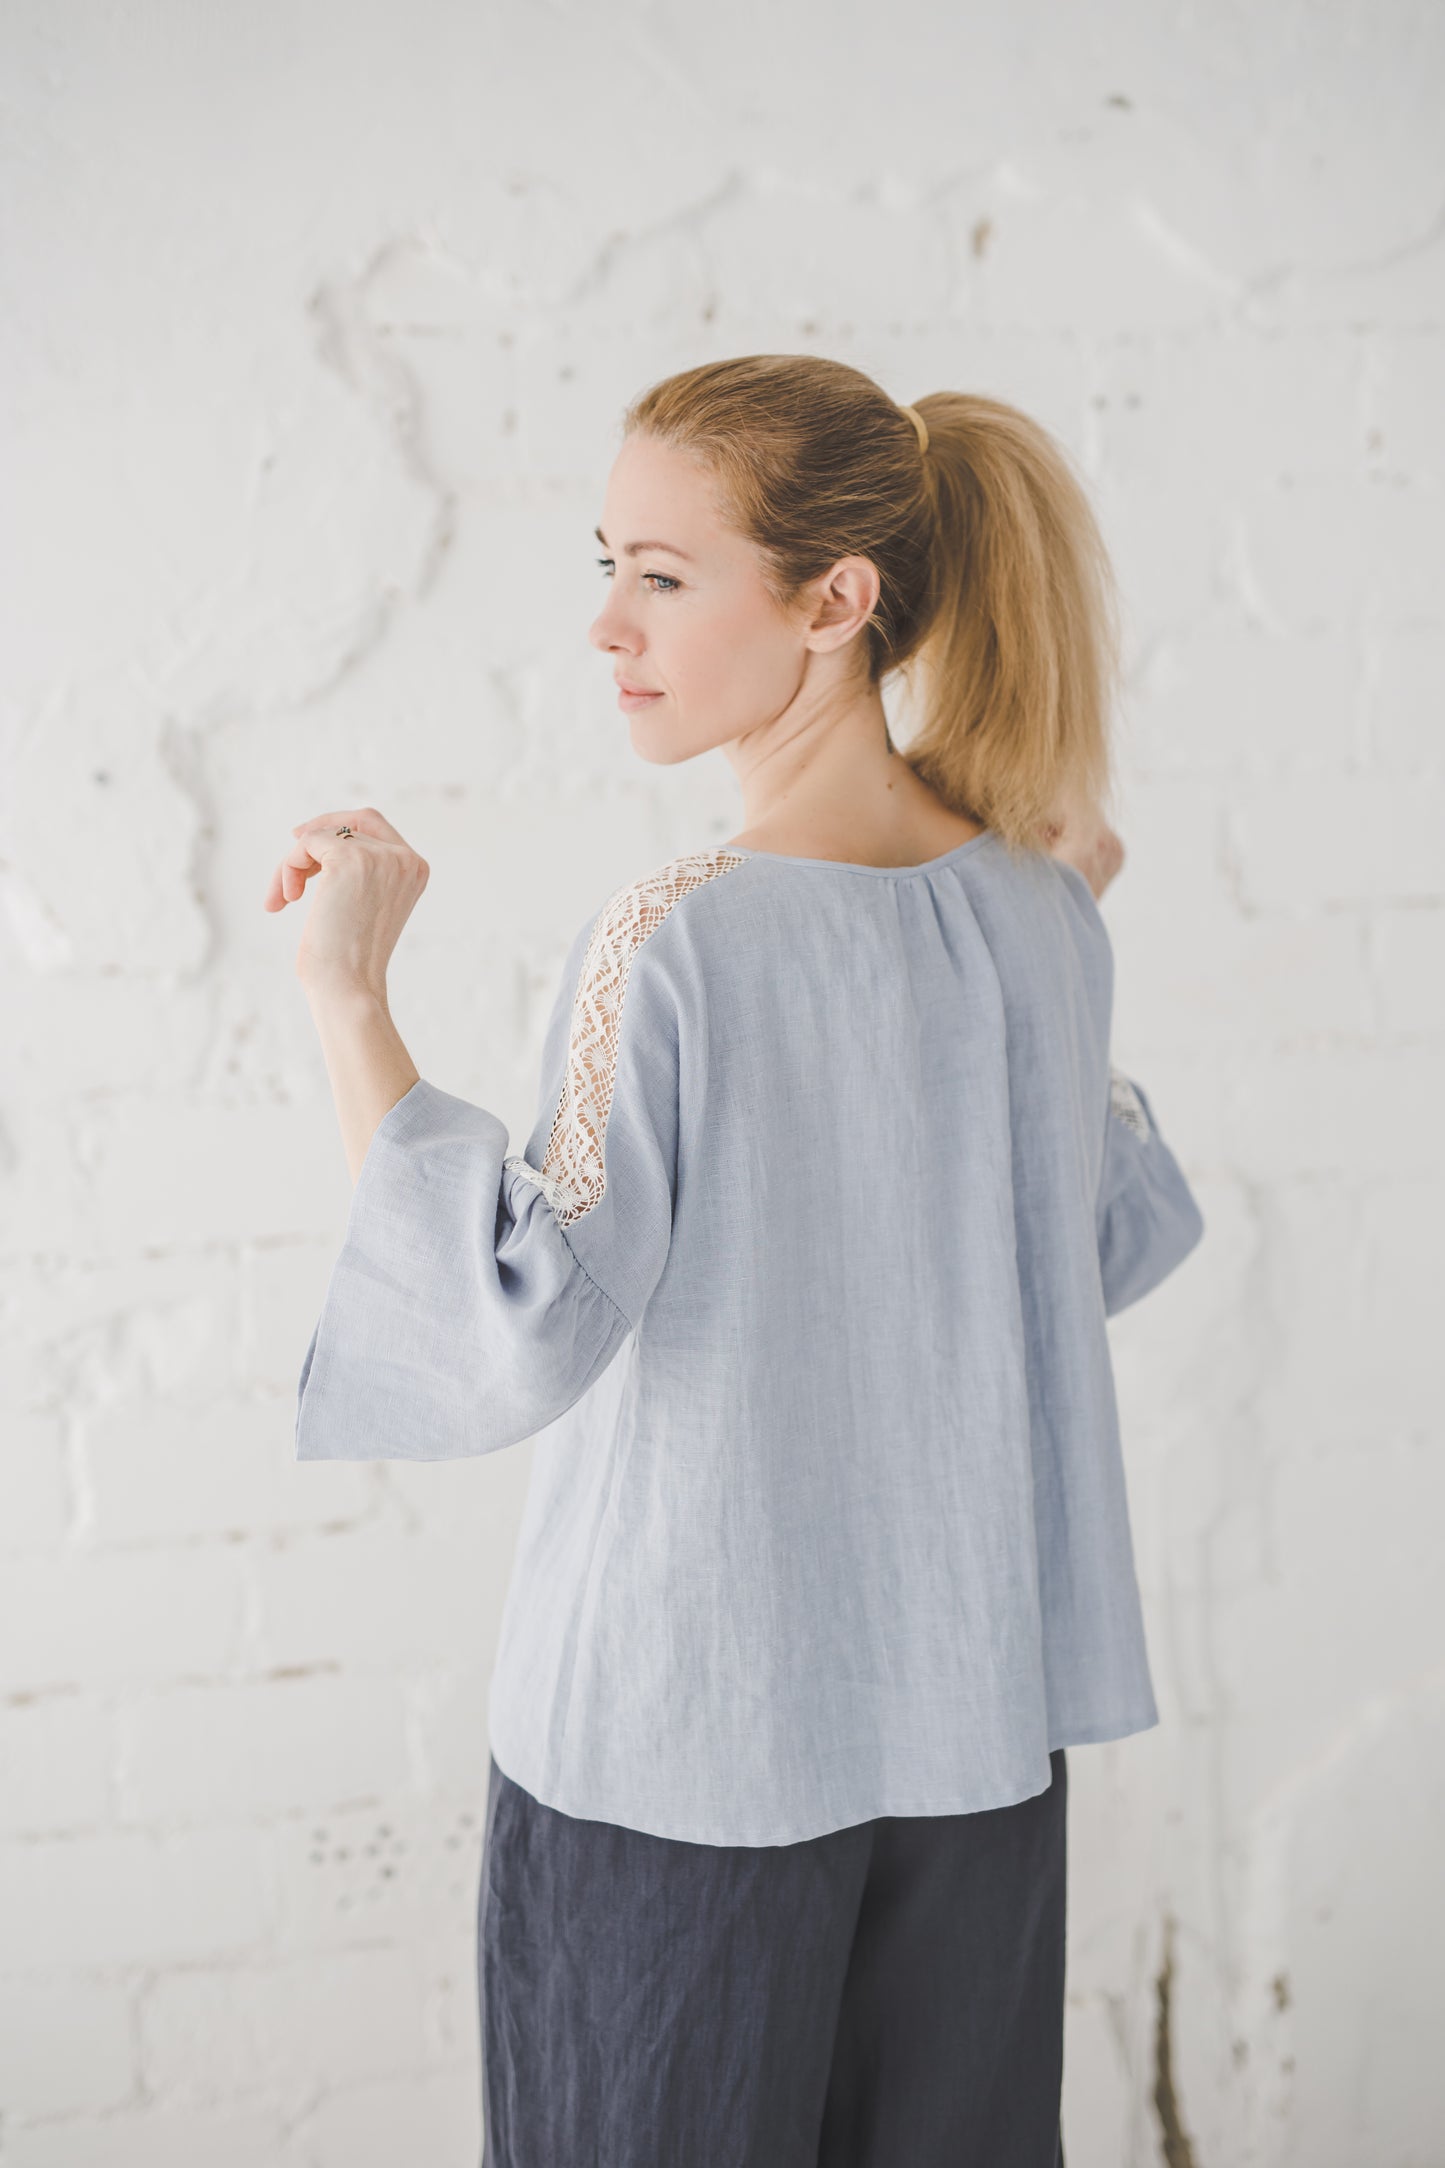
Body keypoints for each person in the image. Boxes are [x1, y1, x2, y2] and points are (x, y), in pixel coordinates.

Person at [268, 354, 1206, 2168]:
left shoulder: (676, 939)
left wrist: (345, 1000)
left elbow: (517, 1319)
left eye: (662, 576)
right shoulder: (1037, 910)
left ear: (836, 603)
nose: (607, 627)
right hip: (973, 1738)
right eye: (604, 566)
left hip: (680, 1755)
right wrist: (1056, 948)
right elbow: (1093, 1244)